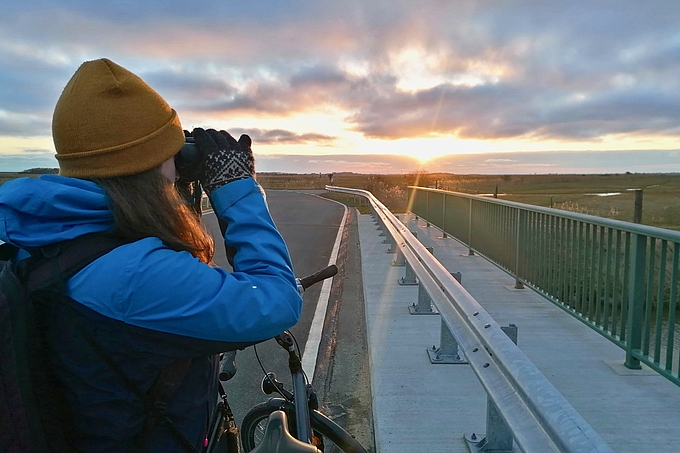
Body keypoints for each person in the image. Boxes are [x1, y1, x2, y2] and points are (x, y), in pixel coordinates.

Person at [0, 58, 303, 451]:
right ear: (148, 168)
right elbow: (276, 301)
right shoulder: (135, 276)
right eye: (171, 157)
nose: (177, 171)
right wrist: (236, 187)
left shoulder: (35, 236)